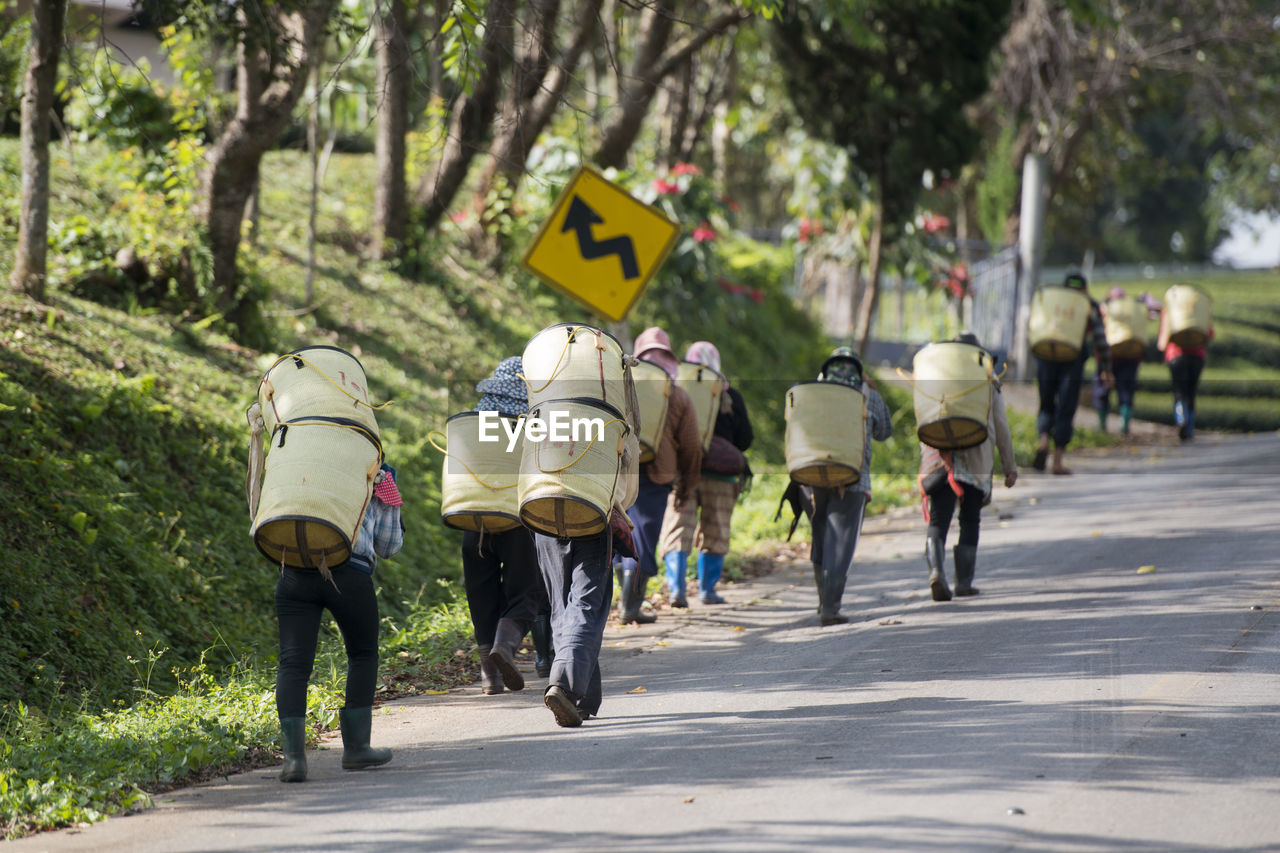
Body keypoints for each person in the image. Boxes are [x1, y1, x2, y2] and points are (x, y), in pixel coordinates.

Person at [276, 461, 403, 783]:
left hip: (295, 571)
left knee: (293, 663)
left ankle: (293, 759)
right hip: (350, 573)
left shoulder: (298, 460)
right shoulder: (378, 472)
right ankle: (357, 748)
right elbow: (389, 546)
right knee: (362, 655)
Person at [462, 356, 552, 694]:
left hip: (473, 516)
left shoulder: (475, 416)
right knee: (528, 591)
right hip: (516, 518)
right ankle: (505, 645)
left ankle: (490, 676)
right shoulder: (535, 418)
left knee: (481, 592)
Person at [918, 333, 1018, 601]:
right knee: (970, 518)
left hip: (938, 458)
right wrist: (1010, 465)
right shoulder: (988, 380)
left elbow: (924, 419)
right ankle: (964, 582)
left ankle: (937, 572)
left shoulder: (935, 378)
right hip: (976, 460)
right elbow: (1000, 425)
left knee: (939, 518)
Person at [616, 327, 702, 622]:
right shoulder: (677, 393)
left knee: (618, 531)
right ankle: (630, 606)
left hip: (618, 470)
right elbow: (692, 446)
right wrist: (687, 487)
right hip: (655, 474)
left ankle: (627, 601)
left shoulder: (620, 384)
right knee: (643, 537)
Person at [658, 340, 753, 605]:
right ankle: (707, 590)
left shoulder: (677, 389)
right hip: (722, 475)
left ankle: (676, 589)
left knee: (678, 526)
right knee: (716, 529)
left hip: (684, 469)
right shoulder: (730, 394)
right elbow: (746, 439)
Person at [807, 347, 892, 625]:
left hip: (812, 475)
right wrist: (870, 390)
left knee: (820, 533)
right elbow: (884, 431)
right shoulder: (868, 395)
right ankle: (831, 607)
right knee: (841, 541)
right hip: (854, 478)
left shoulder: (813, 393)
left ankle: (823, 600)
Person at [1033, 272, 1113, 475]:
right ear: (1085, 289)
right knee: (1066, 408)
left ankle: (1043, 441)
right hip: (1072, 360)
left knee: (1046, 404)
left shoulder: (1052, 302)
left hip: (1046, 356)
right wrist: (1106, 367)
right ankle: (1057, 461)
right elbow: (1100, 338)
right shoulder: (1089, 305)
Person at [1157, 298, 1214, 441]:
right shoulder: (1201, 309)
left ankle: (1181, 419)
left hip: (1175, 356)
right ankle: (1189, 429)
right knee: (1191, 392)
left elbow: (1164, 338)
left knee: (1179, 391)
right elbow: (1209, 334)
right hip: (1197, 356)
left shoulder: (1169, 309)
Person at [1093, 287, 1145, 436]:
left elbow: (1099, 336)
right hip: (1131, 356)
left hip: (1108, 356)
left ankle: (1102, 427)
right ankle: (1124, 425)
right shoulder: (1133, 310)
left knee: (1102, 390)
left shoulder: (1104, 308)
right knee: (1126, 390)